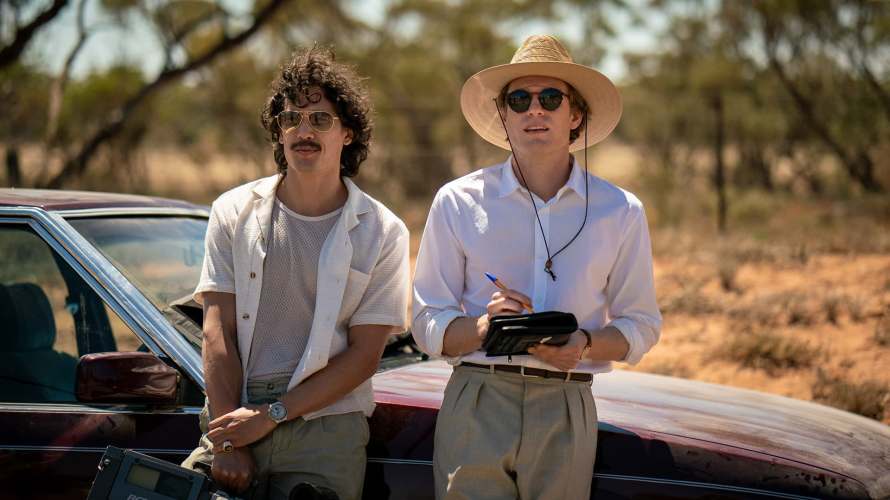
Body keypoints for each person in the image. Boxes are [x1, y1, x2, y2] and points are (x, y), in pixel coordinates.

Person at [411, 34, 662, 499]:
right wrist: (486, 327)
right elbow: (427, 322)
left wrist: (583, 344)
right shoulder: (457, 201)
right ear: (503, 115)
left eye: (550, 98)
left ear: (576, 115)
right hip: (477, 398)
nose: (534, 110)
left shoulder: (621, 210)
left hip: (567, 402)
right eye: (519, 100)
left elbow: (642, 324)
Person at [182, 45, 411, 500]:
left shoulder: (383, 231)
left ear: (347, 133)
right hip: (234, 410)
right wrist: (227, 439)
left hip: (325, 427)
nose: (304, 131)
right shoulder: (232, 211)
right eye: (291, 119)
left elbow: (365, 356)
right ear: (278, 130)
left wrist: (272, 415)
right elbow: (217, 331)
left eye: (320, 119)